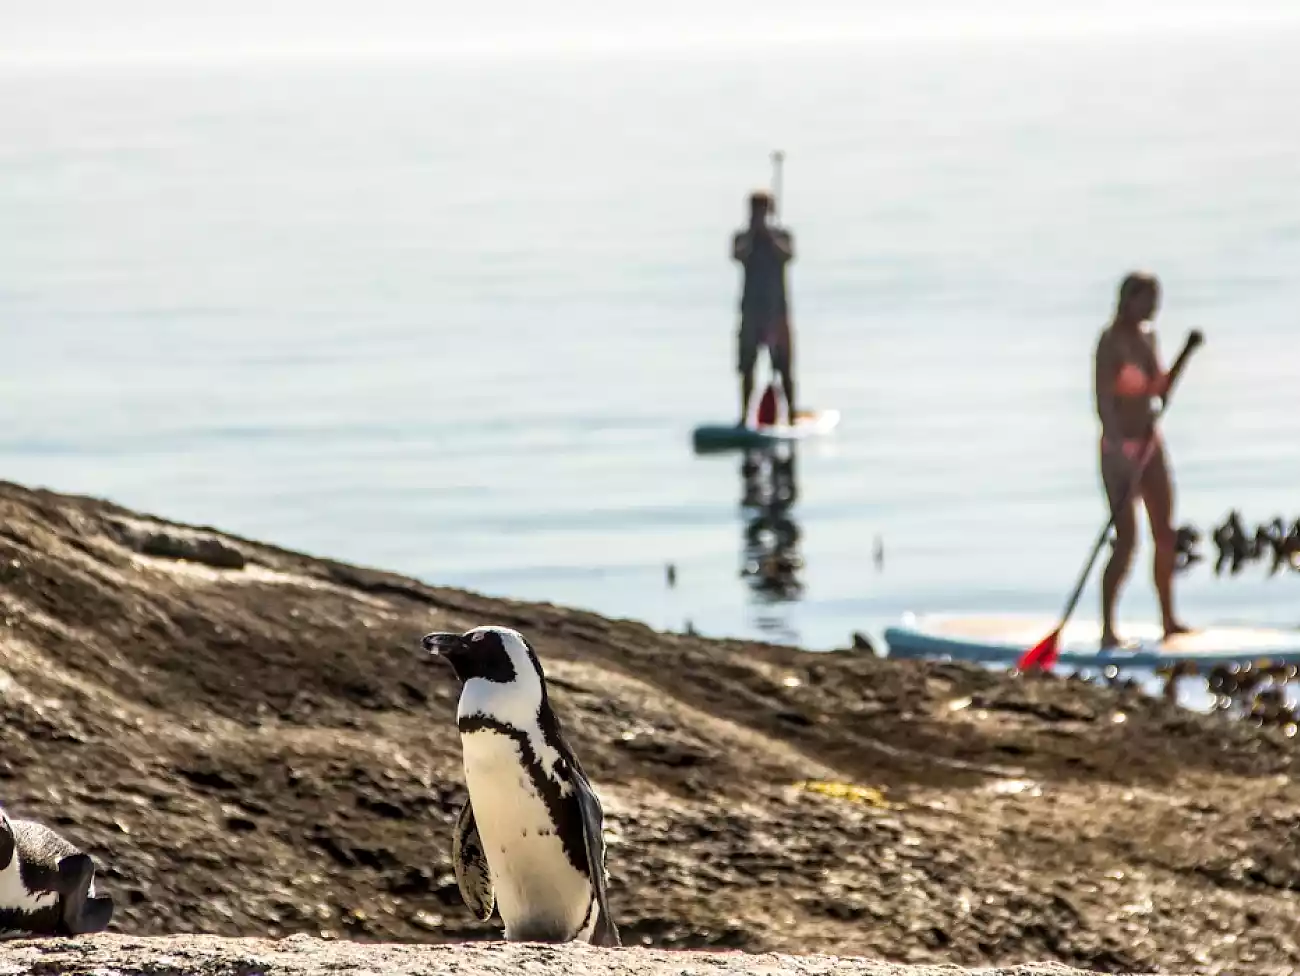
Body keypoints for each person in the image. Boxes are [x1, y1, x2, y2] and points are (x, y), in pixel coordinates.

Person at [1093, 271, 1192, 648]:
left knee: (1165, 534)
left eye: (1156, 300)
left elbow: (1160, 389)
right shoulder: (1110, 343)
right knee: (1126, 541)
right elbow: (1104, 403)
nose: (1154, 307)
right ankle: (1108, 628)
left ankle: (1169, 620)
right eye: (1147, 299)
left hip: (1151, 446)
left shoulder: (1148, 337)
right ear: (1128, 300)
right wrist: (1121, 452)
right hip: (1118, 451)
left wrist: (1187, 352)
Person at [731, 190, 795, 426]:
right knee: (747, 367)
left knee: (784, 366)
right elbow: (738, 255)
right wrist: (753, 234)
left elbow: (787, 255)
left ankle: (791, 413)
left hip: (777, 312)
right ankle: (744, 415)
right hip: (751, 313)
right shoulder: (742, 237)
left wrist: (768, 236)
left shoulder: (782, 235)